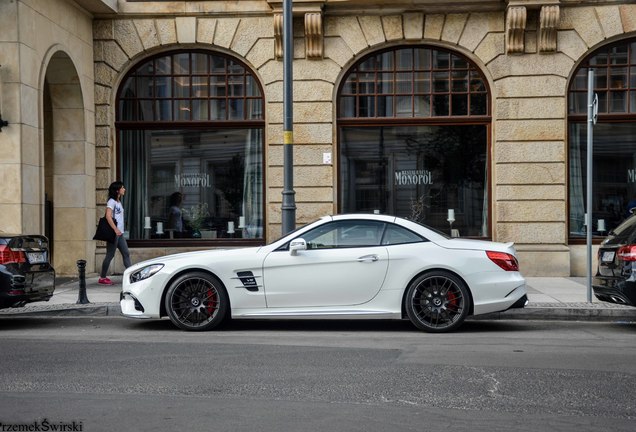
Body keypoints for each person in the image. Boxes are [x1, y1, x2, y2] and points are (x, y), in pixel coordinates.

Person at [99, 181, 132, 285]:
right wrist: (115, 229)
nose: (124, 189)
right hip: (115, 233)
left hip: (120, 233)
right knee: (110, 255)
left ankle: (132, 276)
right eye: (122, 187)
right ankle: (102, 277)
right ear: (117, 190)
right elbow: (108, 216)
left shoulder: (118, 202)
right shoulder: (111, 202)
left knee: (126, 253)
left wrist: (119, 231)